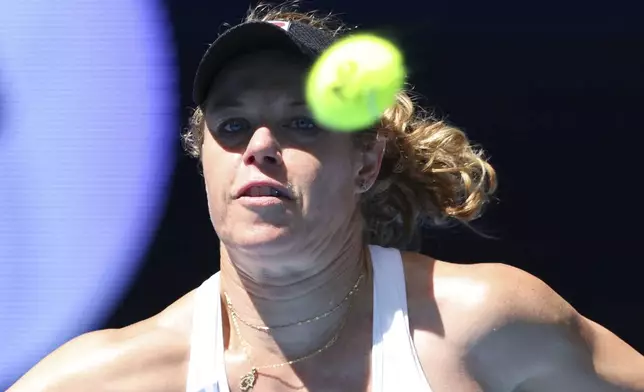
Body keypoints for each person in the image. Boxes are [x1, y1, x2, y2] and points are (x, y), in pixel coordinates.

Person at [8, 3, 644, 392]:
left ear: (365, 162)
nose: (260, 144)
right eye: (231, 127)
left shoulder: (488, 322)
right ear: (202, 159)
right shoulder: (110, 378)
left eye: (302, 123)